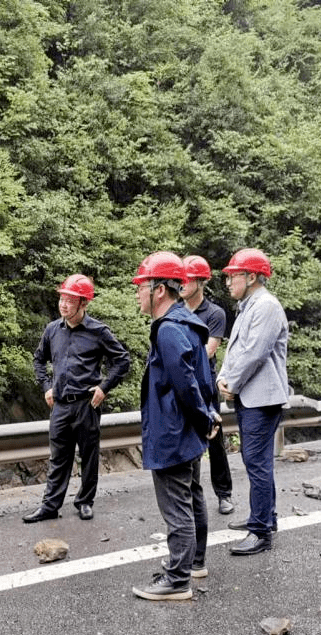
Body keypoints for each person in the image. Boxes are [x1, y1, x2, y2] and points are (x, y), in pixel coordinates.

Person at [130, 252, 219, 600]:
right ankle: (193, 562)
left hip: (173, 431)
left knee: (176, 504)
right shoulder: (187, 323)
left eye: (142, 287)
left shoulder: (168, 330)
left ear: (160, 291)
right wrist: (207, 415)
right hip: (189, 431)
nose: (138, 294)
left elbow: (184, 382)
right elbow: (202, 377)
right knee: (191, 496)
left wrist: (200, 415)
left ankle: (177, 578)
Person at [24, 274, 131, 523]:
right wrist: (46, 386)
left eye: (70, 300)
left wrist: (104, 387)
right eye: (62, 298)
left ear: (83, 303)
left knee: (89, 455)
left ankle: (85, 501)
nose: (63, 304)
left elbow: (122, 360)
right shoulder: (52, 330)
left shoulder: (98, 331)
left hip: (87, 403)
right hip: (60, 403)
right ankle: (50, 506)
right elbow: (39, 360)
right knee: (58, 457)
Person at [216, 248, 289, 556]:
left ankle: (260, 531)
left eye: (234, 276)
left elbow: (255, 353)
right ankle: (264, 517)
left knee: (257, 463)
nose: (229, 281)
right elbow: (236, 350)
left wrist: (231, 383)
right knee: (254, 461)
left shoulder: (266, 306)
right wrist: (224, 377)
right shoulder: (250, 305)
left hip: (262, 398)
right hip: (252, 395)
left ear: (253, 276)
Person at [181, 255, 235, 515]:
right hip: (182, 381)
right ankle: (190, 495)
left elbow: (209, 351)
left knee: (214, 438)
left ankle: (224, 493)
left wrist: (178, 355)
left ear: (201, 282)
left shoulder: (214, 313)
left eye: (187, 279)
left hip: (204, 384)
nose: (182, 283)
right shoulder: (175, 311)